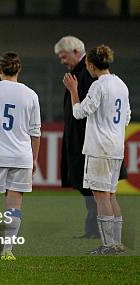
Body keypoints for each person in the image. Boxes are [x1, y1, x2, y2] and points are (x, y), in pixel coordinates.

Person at [54, 36, 126, 239]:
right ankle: (116, 242)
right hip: (116, 146)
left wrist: (74, 91)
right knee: (111, 196)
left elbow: (79, 112)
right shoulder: (121, 85)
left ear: (91, 64)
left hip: (99, 147)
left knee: (101, 198)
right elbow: (126, 117)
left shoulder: (98, 85)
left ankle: (108, 244)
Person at [0, 52, 41, 261]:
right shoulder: (31, 94)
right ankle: (7, 250)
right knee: (14, 205)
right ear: (18, 69)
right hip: (21, 157)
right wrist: (34, 159)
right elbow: (35, 132)